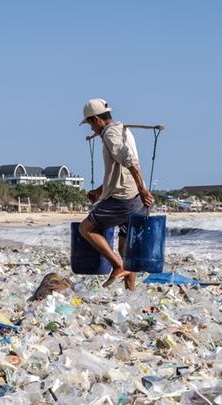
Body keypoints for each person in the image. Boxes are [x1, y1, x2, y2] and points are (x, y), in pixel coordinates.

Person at [76, 98, 155, 289]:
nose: (91, 129)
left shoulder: (110, 134)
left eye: (89, 123)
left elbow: (130, 161)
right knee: (125, 249)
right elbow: (120, 171)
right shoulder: (123, 130)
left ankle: (117, 266)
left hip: (124, 199)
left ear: (96, 119)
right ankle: (131, 292)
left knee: (85, 229)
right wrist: (100, 191)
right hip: (136, 199)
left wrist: (143, 190)